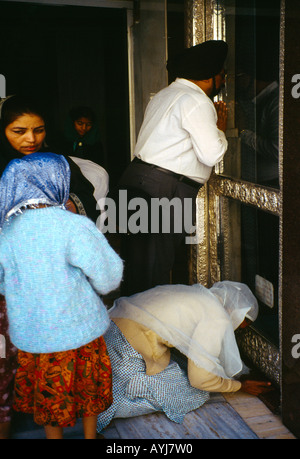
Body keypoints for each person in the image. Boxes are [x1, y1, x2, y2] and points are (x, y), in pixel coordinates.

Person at [0, 152, 123, 439]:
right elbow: (108, 277)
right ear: (58, 182)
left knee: (48, 393)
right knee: (88, 386)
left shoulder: (5, 233)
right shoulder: (72, 225)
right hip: (79, 330)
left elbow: (3, 284)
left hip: (33, 335)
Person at [114, 40, 229, 295]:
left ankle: (129, 329)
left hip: (139, 179)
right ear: (210, 76)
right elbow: (212, 154)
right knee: (154, 270)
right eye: (222, 75)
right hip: (164, 188)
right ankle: (143, 330)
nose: (223, 82)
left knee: (137, 268)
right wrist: (220, 129)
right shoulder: (197, 101)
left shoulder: (166, 94)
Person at [96, 281, 272, 433]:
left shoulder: (200, 294)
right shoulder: (217, 319)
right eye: (242, 325)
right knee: (196, 393)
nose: (238, 329)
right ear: (238, 314)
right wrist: (238, 386)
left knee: (182, 366)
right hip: (126, 353)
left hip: (106, 334)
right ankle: (116, 400)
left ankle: (113, 386)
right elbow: (200, 380)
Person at [0, 95, 100, 222]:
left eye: (39, 130)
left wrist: (58, 208)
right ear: (2, 130)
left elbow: (88, 200)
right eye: (19, 132)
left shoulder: (57, 162)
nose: (31, 139)